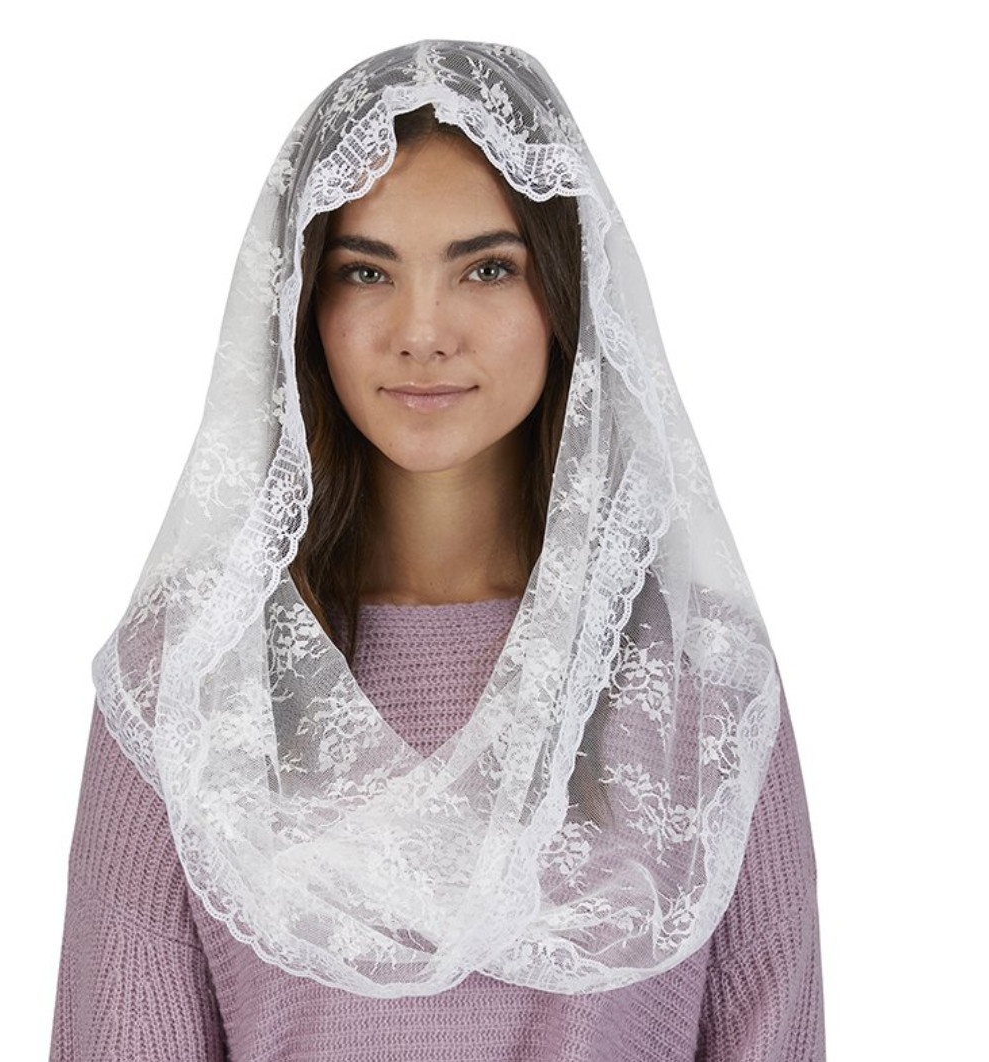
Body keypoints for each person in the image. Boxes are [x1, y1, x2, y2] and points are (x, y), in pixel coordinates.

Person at [50, 41, 824, 1061]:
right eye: (366, 271)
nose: (422, 332)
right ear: (301, 306)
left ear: (567, 293)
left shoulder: (699, 681)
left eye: (487, 268)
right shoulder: (189, 680)